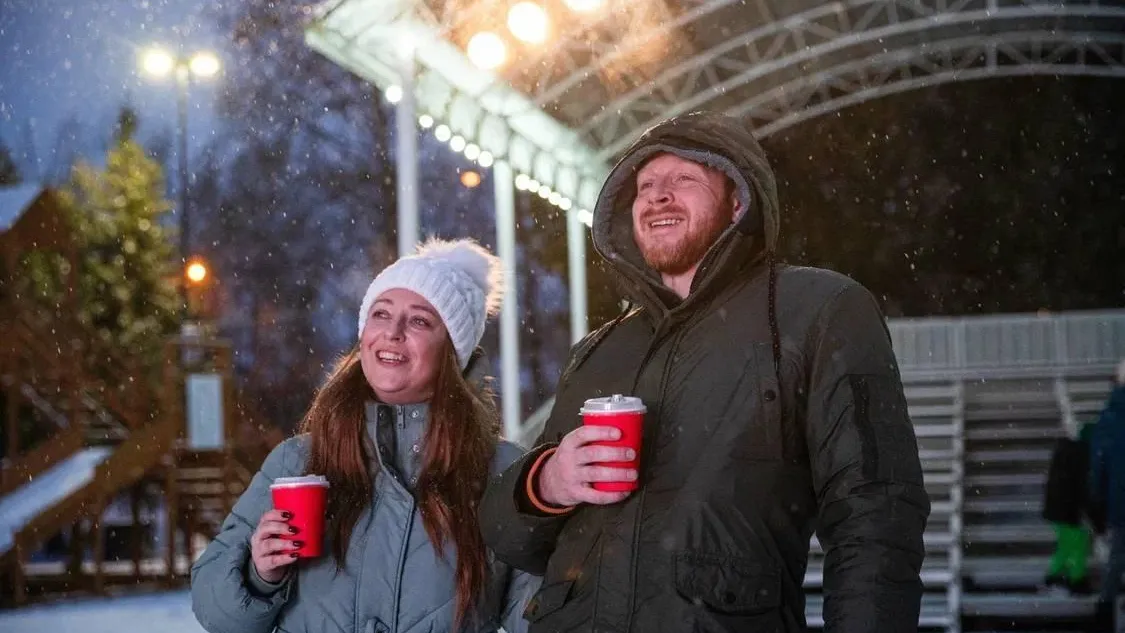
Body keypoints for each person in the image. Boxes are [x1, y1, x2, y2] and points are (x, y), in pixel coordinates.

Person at [479, 111, 930, 633]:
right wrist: (549, 483)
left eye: (684, 180)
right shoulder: (598, 349)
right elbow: (506, 537)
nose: (658, 196)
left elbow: (875, 512)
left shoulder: (817, 310)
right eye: (646, 186)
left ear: (739, 201)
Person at [191, 238, 540, 633]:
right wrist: (259, 574)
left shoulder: (504, 473)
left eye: (420, 320)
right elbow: (215, 610)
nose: (392, 332)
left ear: (452, 350)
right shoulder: (297, 461)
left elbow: (543, 618)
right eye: (380, 314)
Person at [1041, 418, 1096, 595]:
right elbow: (1083, 488)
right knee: (1079, 544)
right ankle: (1076, 580)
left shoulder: (1065, 451)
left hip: (1057, 509)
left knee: (1066, 545)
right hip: (1068, 510)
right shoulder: (1082, 455)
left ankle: (1054, 577)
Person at [1090, 359, 1125, 628]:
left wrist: (1098, 503)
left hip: (1119, 501)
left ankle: (1105, 608)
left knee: (1117, 558)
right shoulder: (1110, 418)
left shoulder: (1109, 417)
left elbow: (1099, 468)